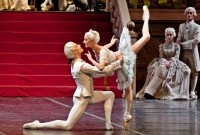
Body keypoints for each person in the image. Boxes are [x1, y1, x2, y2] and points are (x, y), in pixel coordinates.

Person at [23, 41, 123, 130]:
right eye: (76, 46)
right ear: (75, 52)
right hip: (83, 97)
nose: (79, 45)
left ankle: (108, 124)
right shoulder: (81, 65)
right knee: (67, 125)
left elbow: (95, 74)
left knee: (110, 94)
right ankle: (37, 125)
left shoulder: (76, 64)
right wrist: (118, 61)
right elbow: (102, 70)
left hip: (88, 95)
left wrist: (110, 70)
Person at [83, 5, 150, 129]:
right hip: (118, 61)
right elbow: (104, 48)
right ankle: (127, 113)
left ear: (92, 41)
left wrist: (91, 60)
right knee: (127, 88)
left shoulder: (99, 52)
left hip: (123, 57)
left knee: (146, 37)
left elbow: (102, 67)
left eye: (85, 40)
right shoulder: (97, 48)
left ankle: (146, 18)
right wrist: (112, 43)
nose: (84, 41)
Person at [136, 27, 191, 100]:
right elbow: (161, 56)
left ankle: (150, 92)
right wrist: (165, 62)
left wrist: (170, 62)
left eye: (170, 35)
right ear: (165, 35)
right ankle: (148, 92)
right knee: (160, 68)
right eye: (167, 35)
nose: (169, 36)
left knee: (187, 71)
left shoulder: (176, 46)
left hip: (174, 62)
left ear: (173, 35)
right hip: (163, 61)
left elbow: (176, 57)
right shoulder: (162, 46)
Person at [176, 7, 200, 99]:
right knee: (183, 71)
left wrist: (184, 43)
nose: (189, 15)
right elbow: (179, 37)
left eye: (191, 13)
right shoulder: (181, 26)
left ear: (194, 14)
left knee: (194, 71)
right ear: (185, 14)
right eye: (188, 13)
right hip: (183, 52)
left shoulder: (197, 26)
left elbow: (197, 39)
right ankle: (183, 91)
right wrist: (177, 43)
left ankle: (192, 91)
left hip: (192, 52)